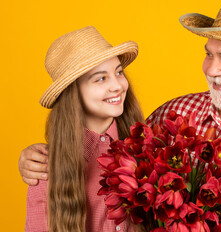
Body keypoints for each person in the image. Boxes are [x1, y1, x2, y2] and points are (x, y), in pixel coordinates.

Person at [19, 0, 221, 231]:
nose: (212, 69)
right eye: (209, 54)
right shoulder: (178, 112)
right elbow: (115, 156)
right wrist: (38, 159)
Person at [24, 26, 145, 232]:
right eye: (100, 78)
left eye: (118, 72)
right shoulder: (46, 171)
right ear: (73, 93)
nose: (117, 85)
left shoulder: (145, 149)